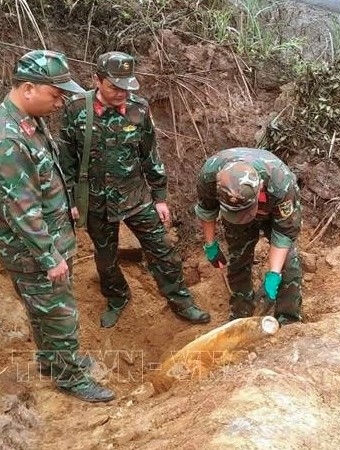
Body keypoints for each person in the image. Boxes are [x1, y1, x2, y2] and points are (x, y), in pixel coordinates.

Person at [0, 50, 114, 403]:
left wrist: (65, 203)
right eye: (55, 95)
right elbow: (21, 209)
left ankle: (53, 360)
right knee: (59, 315)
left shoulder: (27, 119)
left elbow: (44, 173)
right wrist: (49, 255)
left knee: (44, 312)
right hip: (34, 250)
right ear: (28, 88)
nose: (59, 103)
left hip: (50, 237)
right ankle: (69, 377)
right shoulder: (7, 140)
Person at [59, 51, 210, 328]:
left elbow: (149, 155)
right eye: (115, 86)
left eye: (126, 86)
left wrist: (160, 197)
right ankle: (117, 297)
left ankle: (181, 300)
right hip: (96, 202)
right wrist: (70, 200)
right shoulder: (76, 109)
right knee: (106, 259)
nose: (121, 93)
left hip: (136, 196)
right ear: (97, 80)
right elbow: (66, 159)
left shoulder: (138, 108)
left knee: (162, 249)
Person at [195, 148, 303, 324]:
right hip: (233, 214)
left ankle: (287, 318)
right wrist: (210, 244)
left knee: (289, 262)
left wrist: (274, 274)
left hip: (272, 211)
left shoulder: (281, 182)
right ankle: (241, 311)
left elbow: (284, 233)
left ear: (260, 186)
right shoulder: (209, 175)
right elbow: (207, 210)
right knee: (238, 259)